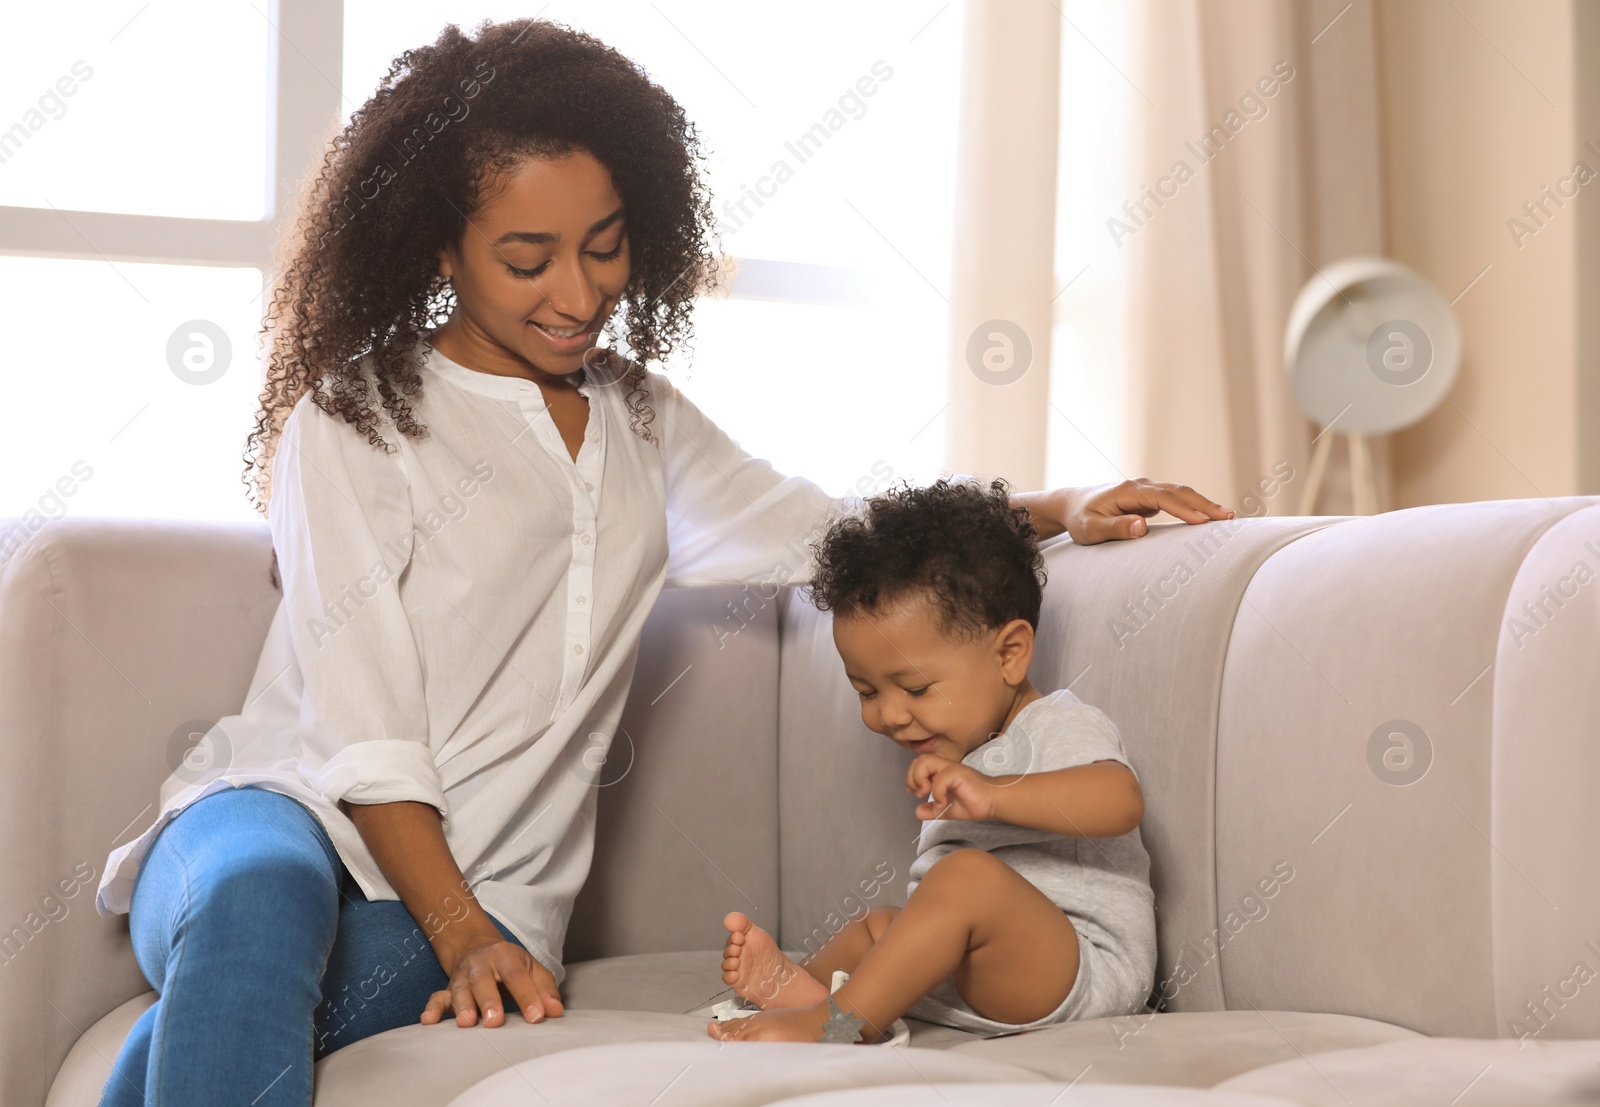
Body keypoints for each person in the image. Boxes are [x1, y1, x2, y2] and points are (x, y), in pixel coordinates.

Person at [93, 18, 1229, 1106]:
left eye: (605, 246)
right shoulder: (352, 423)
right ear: (438, 243)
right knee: (257, 910)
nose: (579, 296)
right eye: (527, 259)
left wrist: (1052, 506)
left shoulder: (640, 419)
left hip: (487, 886)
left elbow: (816, 529)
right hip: (280, 814)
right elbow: (362, 728)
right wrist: (460, 932)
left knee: (234, 1013)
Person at [708, 478, 1156, 1044]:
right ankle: (807, 992)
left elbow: (1120, 801)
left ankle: (837, 1022)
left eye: (914, 688)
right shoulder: (962, 754)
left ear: (1010, 654)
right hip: (991, 971)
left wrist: (995, 794)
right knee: (878, 928)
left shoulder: (1056, 724)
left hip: (1082, 971)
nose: (889, 716)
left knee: (963, 878)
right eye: (867, 692)